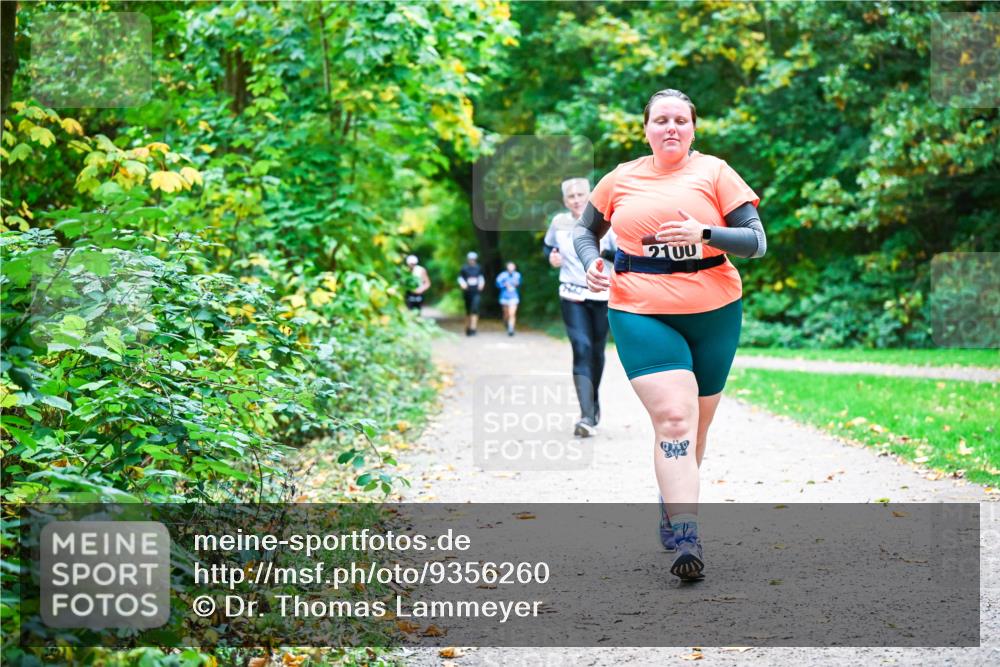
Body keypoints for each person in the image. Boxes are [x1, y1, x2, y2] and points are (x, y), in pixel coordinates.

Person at [573, 89, 767, 582]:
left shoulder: (716, 172)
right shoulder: (621, 177)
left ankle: (671, 501)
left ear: (693, 129)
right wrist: (593, 261)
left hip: (716, 309)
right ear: (646, 129)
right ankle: (687, 534)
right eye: (661, 120)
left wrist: (705, 233)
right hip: (640, 308)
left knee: (696, 428)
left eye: (681, 120)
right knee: (675, 420)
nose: (671, 128)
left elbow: (756, 241)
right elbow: (584, 231)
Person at [543, 178, 617, 437]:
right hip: (571, 294)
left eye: (581, 194)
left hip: (602, 295)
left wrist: (604, 256)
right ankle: (585, 415)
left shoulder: (608, 221)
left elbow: (622, 255)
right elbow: (549, 247)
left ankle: (593, 401)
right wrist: (551, 256)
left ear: (591, 196)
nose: (576, 199)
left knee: (596, 352)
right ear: (565, 201)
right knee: (582, 348)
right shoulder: (559, 223)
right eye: (571, 196)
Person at [458, 251, 485, 336]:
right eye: (470, 259)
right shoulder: (464, 268)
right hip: (467, 292)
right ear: (468, 260)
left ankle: (474, 328)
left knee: (475, 309)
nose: (472, 261)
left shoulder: (479, 268)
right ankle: (468, 327)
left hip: (476, 292)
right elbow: (460, 278)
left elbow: (481, 278)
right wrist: (463, 285)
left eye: (473, 259)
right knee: (468, 311)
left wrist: (481, 285)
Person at [495, 261, 522, 336]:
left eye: (512, 267)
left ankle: (511, 328)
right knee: (506, 314)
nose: (511, 268)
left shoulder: (517, 275)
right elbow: (497, 284)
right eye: (509, 267)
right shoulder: (502, 275)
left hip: (514, 296)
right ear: (507, 267)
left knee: (512, 313)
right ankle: (506, 323)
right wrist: (504, 285)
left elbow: (519, 284)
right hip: (504, 296)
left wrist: (517, 284)